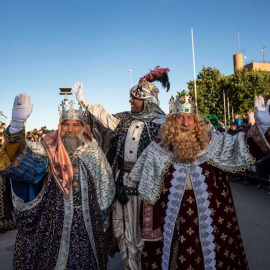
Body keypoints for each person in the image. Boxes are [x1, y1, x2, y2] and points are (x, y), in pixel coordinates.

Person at [129, 93, 270, 270]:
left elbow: (240, 148)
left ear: (197, 121)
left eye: (190, 118)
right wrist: (151, 230)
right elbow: (147, 193)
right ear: (171, 121)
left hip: (213, 220)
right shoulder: (156, 149)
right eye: (180, 117)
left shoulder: (215, 143)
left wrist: (263, 128)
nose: (186, 123)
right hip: (173, 226)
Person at [0, 93, 115, 269]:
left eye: (75, 124)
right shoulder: (47, 148)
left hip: (89, 225)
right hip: (54, 226)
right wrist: (16, 128)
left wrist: (104, 213)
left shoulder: (94, 151)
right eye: (66, 124)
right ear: (59, 127)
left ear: (83, 127)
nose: (70, 129)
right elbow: (21, 162)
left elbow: (105, 183)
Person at [73, 66, 170, 270]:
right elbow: (103, 117)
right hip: (122, 183)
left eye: (134, 98)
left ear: (146, 101)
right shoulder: (125, 119)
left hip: (148, 187)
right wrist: (84, 100)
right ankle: (129, 265)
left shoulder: (163, 124)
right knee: (121, 228)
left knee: (141, 230)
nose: (130, 101)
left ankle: (144, 265)